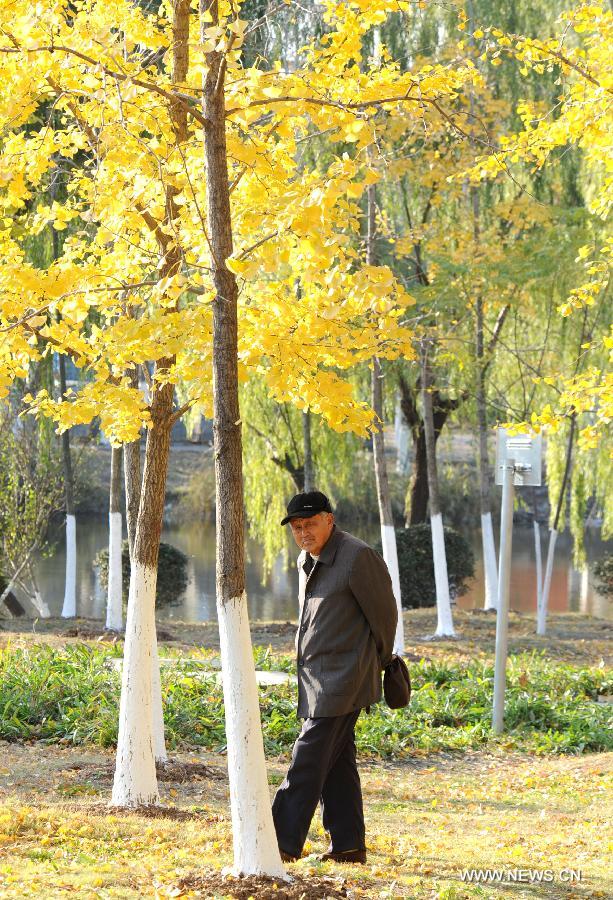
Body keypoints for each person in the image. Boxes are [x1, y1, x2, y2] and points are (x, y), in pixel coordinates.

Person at [272, 490, 398, 864]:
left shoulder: (358, 557)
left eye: (310, 523)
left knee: (307, 758)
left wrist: (374, 664)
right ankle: (348, 846)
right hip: (315, 676)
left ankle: (279, 842)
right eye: (297, 527)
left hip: (345, 678)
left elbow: (385, 618)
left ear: (329, 519)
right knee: (337, 764)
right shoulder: (304, 561)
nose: (303, 532)